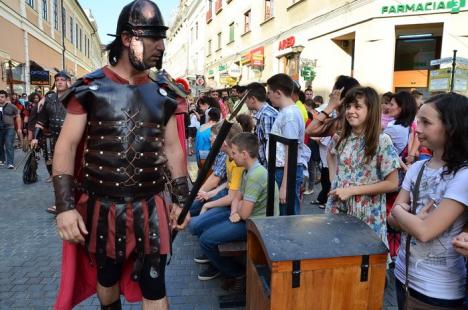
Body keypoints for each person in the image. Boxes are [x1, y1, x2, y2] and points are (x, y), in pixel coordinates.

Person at [52, 1, 190, 309]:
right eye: (153, 37)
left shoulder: (164, 91)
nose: (161, 45)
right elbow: (67, 146)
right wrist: (65, 207)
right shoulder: (90, 88)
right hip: (102, 207)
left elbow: (172, 149)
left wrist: (181, 199)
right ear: (127, 39)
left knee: (155, 287)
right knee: (107, 280)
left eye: (161, 37)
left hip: (151, 206)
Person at [388, 93, 468, 309]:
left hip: (438, 289)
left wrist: (401, 213)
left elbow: (424, 231)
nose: (417, 128)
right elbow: (392, 221)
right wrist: (404, 217)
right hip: (403, 276)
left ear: (451, 127)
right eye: (418, 120)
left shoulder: (463, 175)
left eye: (426, 122)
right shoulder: (417, 168)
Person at [197, 132, 279, 289]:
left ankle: (236, 272)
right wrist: (235, 211)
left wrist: (238, 210)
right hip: (245, 219)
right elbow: (237, 197)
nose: (232, 156)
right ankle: (229, 270)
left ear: (244, 154)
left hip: (256, 226)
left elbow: (245, 213)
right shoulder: (248, 170)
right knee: (204, 231)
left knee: (206, 240)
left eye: (234, 153)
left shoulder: (256, 175)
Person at [325, 87, 400, 246]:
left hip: (366, 213)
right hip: (338, 207)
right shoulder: (343, 137)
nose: (350, 111)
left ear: (371, 110)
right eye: (348, 106)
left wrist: (351, 190)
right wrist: (335, 180)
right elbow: (330, 155)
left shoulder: (382, 140)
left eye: (357, 107)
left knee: (364, 262)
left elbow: (393, 183)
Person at [189, 122, 244, 280]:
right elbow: (230, 183)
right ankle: (214, 257)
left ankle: (235, 272)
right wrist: (210, 192)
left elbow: (233, 195)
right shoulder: (230, 157)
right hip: (232, 204)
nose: (211, 139)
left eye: (214, 137)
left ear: (224, 142)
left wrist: (208, 203)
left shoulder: (236, 160)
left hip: (237, 210)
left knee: (199, 227)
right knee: (197, 225)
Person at [266, 74, 311, 215]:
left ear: (278, 93)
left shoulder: (290, 115)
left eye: (269, 93)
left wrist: (285, 185)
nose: (268, 96)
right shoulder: (286, 112)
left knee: (287, 216)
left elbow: (291, 150)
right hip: (282, 170)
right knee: (283, 214)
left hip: (286, 172)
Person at [31, 71, 71, 181]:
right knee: (49, 155)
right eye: (57, 80)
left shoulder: (75, 97)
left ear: (68, 82)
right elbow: (41, 120)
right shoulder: (49, 98)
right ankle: (53, 174)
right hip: (52, 133)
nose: (59, 82)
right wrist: (35, 138)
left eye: (62, 80)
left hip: (70, 134)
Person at [245, 82, 278, 167]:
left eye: (246, 98)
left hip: (269, 169)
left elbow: (271, 147)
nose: (245, 102)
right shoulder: (263, 114)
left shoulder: (267, 116)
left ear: (252, 99)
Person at [0, 90, 23, 168]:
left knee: (9, 144)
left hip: (9, 127)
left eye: (2, 97)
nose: (0, 98)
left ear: (6, 98)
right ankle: (1, 159)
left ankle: (10, 162)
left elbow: (18, 116)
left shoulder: (12, 106)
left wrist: (19, 128)